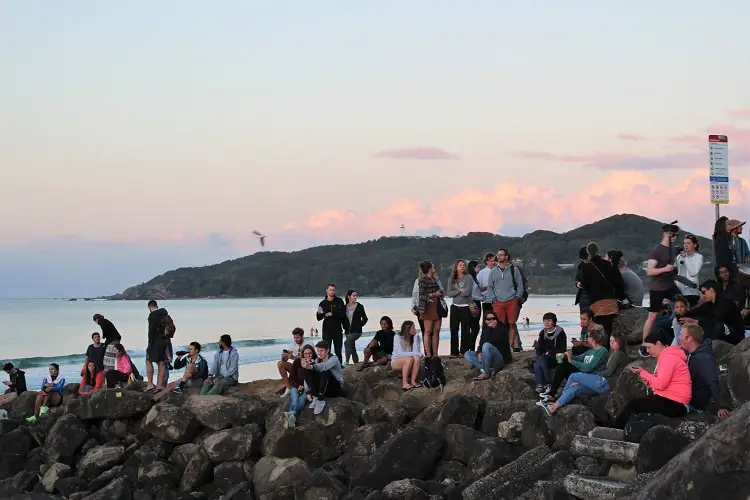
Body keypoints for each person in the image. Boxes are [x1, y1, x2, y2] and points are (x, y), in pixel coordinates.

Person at [614, 328, 691, 428]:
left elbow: (661, 384)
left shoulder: (668, 358)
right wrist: (648, 380)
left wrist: (643, 373)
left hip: (676, 404)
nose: (648, 351)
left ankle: (615, 429)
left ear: (658, 344)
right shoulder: (667, 356)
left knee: (634, 404)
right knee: (637, 404)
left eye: (649, 347)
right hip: (671, 400)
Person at [539, 334, 629, 415]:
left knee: (573, 376)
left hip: (606, 383)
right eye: (610, 341)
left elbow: (609, 372)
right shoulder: (612, 354)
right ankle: (553, 408)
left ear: (620, 342)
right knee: (575, 388)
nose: (611, 343)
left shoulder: (618, 354)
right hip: (602, 385)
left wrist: (596, 374)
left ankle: (558, 397)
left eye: (614, 341)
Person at [641, 221, 681, 357]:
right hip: (657, 288)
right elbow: (649, 271)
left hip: (670, 285)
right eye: (674, 235)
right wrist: (665, 268)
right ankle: (644, 345)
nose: (675, 238)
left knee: (684, 305)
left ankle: (680, 339)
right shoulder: (657, 251)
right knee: (652, 316)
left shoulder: (673, 249)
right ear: (667, 234)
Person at [679, 324, 729, 419]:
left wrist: (720, 407)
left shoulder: (703, 359)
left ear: (689, 338)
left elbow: (713, 381)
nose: (679, 337)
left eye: (681, 335)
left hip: (700, 405)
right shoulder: (694, 353)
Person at [543, 328, 609, 400]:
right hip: (583, 373)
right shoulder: (591, 350)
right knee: (564, 362)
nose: (587, 338)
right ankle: (552, 393)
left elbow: (588, 368)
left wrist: (571, 361)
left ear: (593, 338)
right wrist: (567, 356)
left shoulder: (602, 351)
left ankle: (553, 393)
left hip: (590, 376)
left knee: (564, 366)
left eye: (588, 336)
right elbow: (580, 358)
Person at [680, 280, 745, 345]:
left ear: (711, 290)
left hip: (735, 335)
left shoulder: (724, 302)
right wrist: (699, 303)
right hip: (722, 333)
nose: (703, 295)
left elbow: (716, 321)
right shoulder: (709, 304)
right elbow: (695, 313)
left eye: (703, 292)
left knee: (718, 326)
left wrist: (697, 322)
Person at [579, 243, 623, 334]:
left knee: (599, 332)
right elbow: (619, 282)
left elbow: (585, 286)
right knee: (609, 329)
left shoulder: (586, 268)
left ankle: (602, 347)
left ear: (588, 252)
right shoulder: (608, 264)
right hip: (611, 302)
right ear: (598, 250)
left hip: (596, 303)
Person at [488, 248, 525, 352]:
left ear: (506, 257)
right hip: (498, 302)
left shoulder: (514, 269)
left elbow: (520, 284)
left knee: (512, 323)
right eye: (498, 254)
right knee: (499, 325)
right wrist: (494, 299)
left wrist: (517, 297)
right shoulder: (493, 271)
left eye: (501, 255)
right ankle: (501, 346)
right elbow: (490, 287)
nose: (498, 256)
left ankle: (509, 346)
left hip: (512, 300)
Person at [464, 312, 512, 381]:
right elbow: (481, 344)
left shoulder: (501, 328)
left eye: (493, 318)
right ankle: (487, 369)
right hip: (487, 357)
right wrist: (479, 353)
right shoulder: (485, 330)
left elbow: (491, 341)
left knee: (486, 345)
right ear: (485, 321)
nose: (491, 320)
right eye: (489, 319)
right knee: (468, 354)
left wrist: (492, 328)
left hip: (499, 359)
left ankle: (486, 373)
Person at [303, 340, 344, 415]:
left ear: (328, 350)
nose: (319, 353)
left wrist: (312, 366)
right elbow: (310, 373)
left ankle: (321, 399)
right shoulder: (318, 360)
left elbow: (325, 366)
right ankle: (315, 396)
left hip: (335, 387)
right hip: (325, 387)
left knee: (324, 370)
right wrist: (308, 392)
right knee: (308, 370)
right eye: (318, 351)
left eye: (321, 351)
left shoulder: (334, 359)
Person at [532, 312, 568, 393]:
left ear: (554, 322)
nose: (546, 323)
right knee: (538, 362)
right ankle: (542, 385)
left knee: (539, 361)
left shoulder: (560, 332)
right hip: (545, 358)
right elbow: (540, 348)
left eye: (549, 320)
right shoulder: (542, 333)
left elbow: (562, 349)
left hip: (558, 357)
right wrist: (538, 349)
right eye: (545, 321)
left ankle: (546, 383)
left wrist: (550, 352)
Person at [283, 344, 316, 428]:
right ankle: (292, 418)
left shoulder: (315, 364)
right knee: (294, 399)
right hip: (296, 386)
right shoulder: (297, 362)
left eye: (310, 353)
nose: (308, 355)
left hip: (307, 389)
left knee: (302, 400)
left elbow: (315, 380)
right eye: (306, 353)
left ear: (313, 353)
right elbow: (291, 378)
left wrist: (310, 366)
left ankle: (291, 415)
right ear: (302, 354)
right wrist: (297, 386)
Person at [447, 259, 475, 357]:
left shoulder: (469, 278)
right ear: (456, 267)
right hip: (455, 307)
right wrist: (459, 291)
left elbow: (468, 292)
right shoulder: (452, 279)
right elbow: (449, 293)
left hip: (466, 307)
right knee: (454, 330)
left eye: (463, 265)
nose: (462, 267)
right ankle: (454, 352)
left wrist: (461, 291)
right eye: (460, 265)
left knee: (465, 330)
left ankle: (464, 351)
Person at [417, 261, 444, 358]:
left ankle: (435, 354)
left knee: (436, 330)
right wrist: (433, 294)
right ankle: (428, 354)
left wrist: (440, 293)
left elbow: (441, 290)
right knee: (428, 331)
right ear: (429, 268)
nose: (435, 268)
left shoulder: (435, 279)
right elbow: (422, 295)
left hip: (437, 305)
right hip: (428, 306)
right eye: (433, 267)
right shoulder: (422, 280)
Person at [316, 284, 347, 363]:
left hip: (337, 329)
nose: (332, 292)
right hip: (326, 330)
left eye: (333, 290)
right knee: (326, 351)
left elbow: (343, 314)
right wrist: (319, 313)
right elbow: (319, 318)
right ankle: (327, 368)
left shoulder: (339, 301)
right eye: (330, 290)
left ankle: (339, 368)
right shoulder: (323, 303)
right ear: (327, 290)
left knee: (338, 352)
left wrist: (333, 314)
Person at [391, 320, 423, 390]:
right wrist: (416, 353)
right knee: (409, 359)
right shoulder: (397, 337)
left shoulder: (415, 337)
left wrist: (415, 338)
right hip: (396, 361)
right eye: (413, 328)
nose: (415, 329)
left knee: (416, 358)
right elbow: (400, 353)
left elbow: (416, 351)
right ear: (407, 329)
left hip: (409, 360)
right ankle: (404, 384)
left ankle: (413, 381)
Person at [145, 300, 169, 392]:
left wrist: (150, 343)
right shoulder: (164, 313)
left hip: (155, 342)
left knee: (148, 360)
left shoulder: (152, 316)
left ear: (150, 307)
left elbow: (150, 331)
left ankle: (150, 384)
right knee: (161, 363)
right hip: (164, 341)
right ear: (156, 305)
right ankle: (160, 385)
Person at [674, 234, 703, 306]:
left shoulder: (698, 257)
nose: (686, 245)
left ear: (695, 245)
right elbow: (677, 272)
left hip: (692, 291)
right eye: (684, 243)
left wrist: (685, 258)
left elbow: (693, 272)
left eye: (688, 243)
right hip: (680, 291)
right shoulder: (679, 256)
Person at [278, 328, 306, 397]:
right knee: (280, 363)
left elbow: (305, 359)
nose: (296, 339)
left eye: (298, 337)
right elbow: (289, 358)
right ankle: (288, 387)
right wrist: (284, 357)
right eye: (294, 337)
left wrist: (293, 357)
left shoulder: (307, 344)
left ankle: (296, 386)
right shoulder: (293, 345)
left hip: (305, 368)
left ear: (302, 336)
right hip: (296, 367)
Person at [343, 289, 368, 366]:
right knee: (352, 347)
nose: (355, 297)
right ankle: (356, 363)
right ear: (349, 296)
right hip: (347, 331)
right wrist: (344, 326)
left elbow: (365, 319)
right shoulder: (344, 307)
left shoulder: (360, 306)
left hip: (357, 332)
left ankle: (346, 361)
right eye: (354, 295)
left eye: (356, 295)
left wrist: (359, 325)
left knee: (346, 343)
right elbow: (342, 319)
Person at [467, 260, 483, 351]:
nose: (479, 269)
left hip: (476, 301)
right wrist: (481, 298)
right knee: (474, 326)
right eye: (478, 267)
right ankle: (471, 346)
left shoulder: (475, 278)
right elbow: (471, 294)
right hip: (473, 303)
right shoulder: (470, 278)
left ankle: (471, 346)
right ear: (473, 268)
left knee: (475, 326)